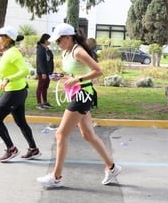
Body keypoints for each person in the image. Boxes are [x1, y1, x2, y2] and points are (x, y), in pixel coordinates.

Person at [37, 23, 121, 188]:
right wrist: (61, 76)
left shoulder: (78, 51)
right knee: (88, 135)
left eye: (60, 40)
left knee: (61, 134)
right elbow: (73, 73)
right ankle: (112, 167)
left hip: (83, 95)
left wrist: (77, 80)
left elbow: (98, 70)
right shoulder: (67, 51)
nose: (58, 43)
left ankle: (57, 176)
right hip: (78, 94)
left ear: (69, 37)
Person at [0, 26, 41, 162]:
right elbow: (9, 73)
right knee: (21, 122)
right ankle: (33, 149)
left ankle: (11, 149)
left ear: (7, 39)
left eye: (0, 35)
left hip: (14, 92)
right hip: (17, 90)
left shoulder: (13, 53)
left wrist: (8, 79)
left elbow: (25, 71)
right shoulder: (8, 52)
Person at [35, 33, 54, 110]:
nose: (50, 41)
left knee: (45, 87)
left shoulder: (47, 49)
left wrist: (51, 71)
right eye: (49, 40)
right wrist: (43, 72)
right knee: (40, 86)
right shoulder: (40, 49)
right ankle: (39, 103)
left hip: (48, 72)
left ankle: (45, 102)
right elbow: (40, 62)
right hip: (42, 72)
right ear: (45, 40)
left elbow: (50, 60)